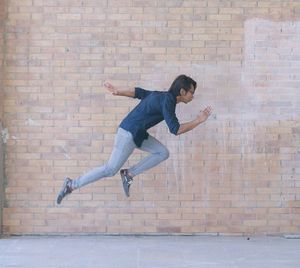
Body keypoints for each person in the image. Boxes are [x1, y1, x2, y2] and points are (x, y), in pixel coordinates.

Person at [56, 74, 212, 204]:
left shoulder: (161, 96)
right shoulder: (168, 102)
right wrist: (199, 120)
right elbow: (176, 130)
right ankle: (72, 184)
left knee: (162, 153)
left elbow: (139, 92)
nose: (193, 95)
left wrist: (118, 91)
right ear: (183, 91)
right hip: (128, 133)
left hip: (137, 134)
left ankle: (129, 174)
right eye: (191, 92)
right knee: (110, 169)